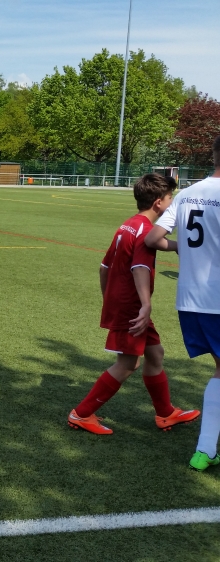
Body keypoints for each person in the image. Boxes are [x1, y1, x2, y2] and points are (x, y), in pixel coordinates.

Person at [67, 174, 199, 435]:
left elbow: (104, 267)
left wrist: (110, 298)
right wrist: (145, 305)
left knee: (155, 354)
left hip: (125, 303)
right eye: (170, 198)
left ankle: (165, 413)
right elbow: (140, 267)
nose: (172, 203)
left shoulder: (128, 225)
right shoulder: (145, 231)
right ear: (159, 203)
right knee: (128, 363)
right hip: (133, 307)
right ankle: (81, 414)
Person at [144, 135, 220, 471]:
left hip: (190, 300)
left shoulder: (187, 194)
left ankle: (206, 450)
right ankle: (205, 449)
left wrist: (183, 248)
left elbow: (152, 238)